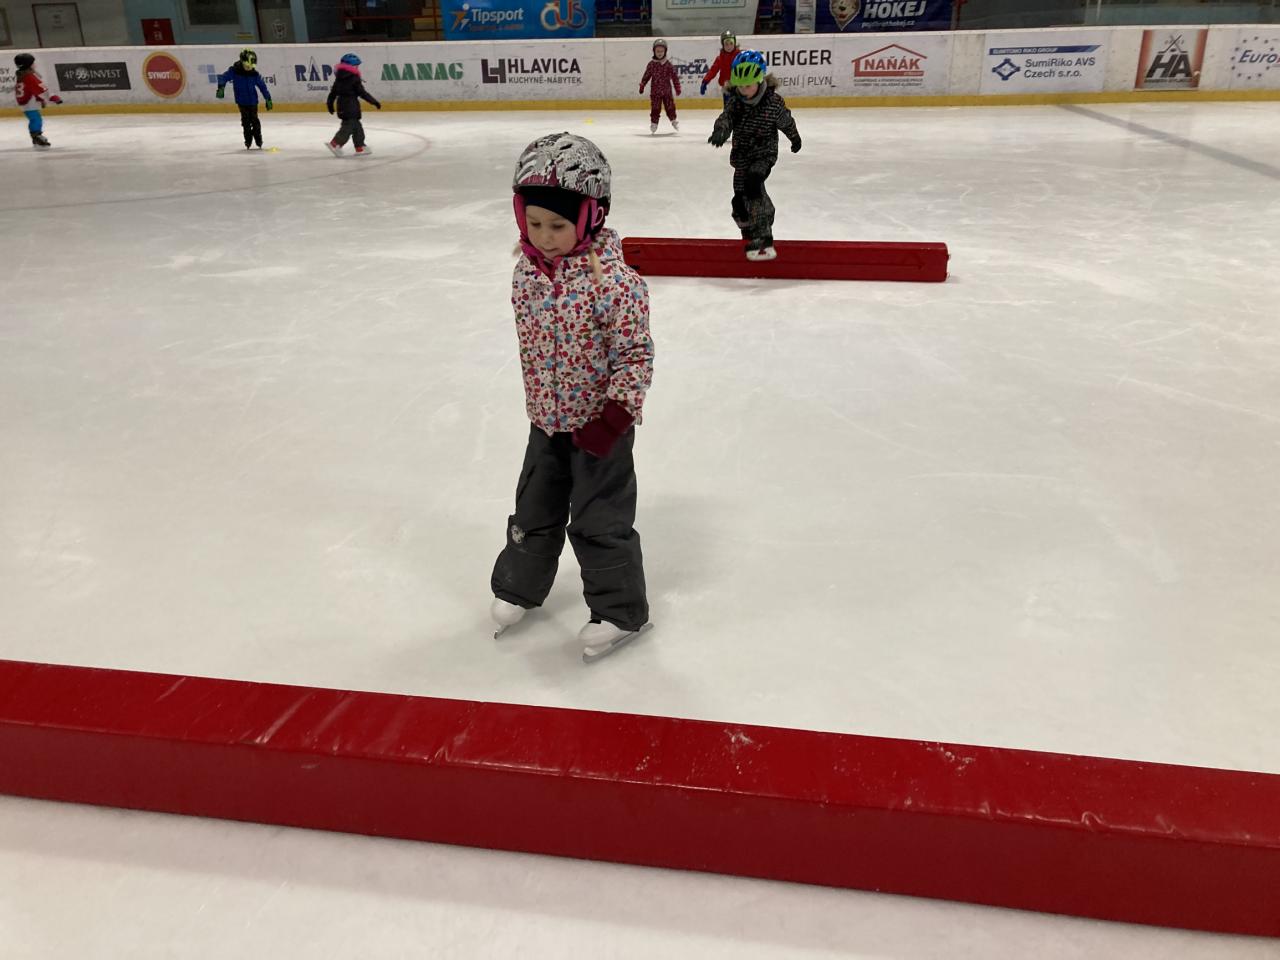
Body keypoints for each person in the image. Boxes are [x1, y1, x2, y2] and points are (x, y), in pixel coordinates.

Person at [490, 132, 656, 663]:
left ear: (591, 217)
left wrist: (613, 418)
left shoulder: (616, 284)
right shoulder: (526, 274)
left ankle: (620, 611)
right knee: (533, 508)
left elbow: (635, 355)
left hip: (600, 428)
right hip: (546, 421)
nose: (544, 237)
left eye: (558, 225)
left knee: (599, 521)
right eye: (533, 223)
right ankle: (519, 587)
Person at [708, 50, 802, 261]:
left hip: (763, 154)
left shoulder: (773, 102)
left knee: (753, 185)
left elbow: (786, 121)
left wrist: (795, 138)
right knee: (739, 201)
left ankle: (763, 235)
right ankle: (748, 232)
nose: (744, 90)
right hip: (742, 157)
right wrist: (720, 131)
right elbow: (726, 118)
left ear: (760, 80)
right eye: (740, 86)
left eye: (748, 85)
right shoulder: (736, 102)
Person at [216, 48, 272, 150]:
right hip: (241, 102)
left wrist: (268, 98)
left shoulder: (254, 74)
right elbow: (223, 77)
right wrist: (221, 87)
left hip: (253, 102)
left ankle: (258, 139)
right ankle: (248, 140)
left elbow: (262, 87)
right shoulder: (234, 71)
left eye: (251, 67)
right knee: (245, 122)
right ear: (242, 62)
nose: (249, 69)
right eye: (247, 66)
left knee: (255, 121)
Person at [325, 54, 381, 156]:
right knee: (348, 126)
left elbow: (333, 93)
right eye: (356, 65)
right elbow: (362, 93)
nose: (358, 67)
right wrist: (374, 102)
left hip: (342, 105)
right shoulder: (354, 78)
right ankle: (335, 143)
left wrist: (330, 104)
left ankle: (360, 147)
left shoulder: (339, 78)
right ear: (352, 66)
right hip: (350, 105)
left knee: (357, 127)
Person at [12, 53, 63, 149]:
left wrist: (40, 99)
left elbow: (31, 89)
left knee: (35, 119)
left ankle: (36, 136)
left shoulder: (22, 74)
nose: (35, 64)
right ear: (28, 64)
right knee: (36, 119)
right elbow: (41, 88)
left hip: (27, 101)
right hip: (29, 102)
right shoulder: (29, 76)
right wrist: (53, 97)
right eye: (33, 63)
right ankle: (36, 136)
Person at [639, 38, 681, 134]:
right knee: (655, 108)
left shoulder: (668, 65)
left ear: (665, 51)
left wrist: (677, 87)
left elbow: (674, 77)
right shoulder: (651, 65)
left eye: (662, 51)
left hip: (667, 92)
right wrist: (642, 85)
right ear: (654, 51)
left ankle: (673, 120)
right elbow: (646, 76)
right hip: (655, 92)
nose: (660, 53)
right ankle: (654, 123)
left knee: (670, 107)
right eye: (658, 51)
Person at [700, 29, 740, 110]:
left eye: (731, 43)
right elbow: (713, 71)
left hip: (739, 86)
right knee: (728, 108)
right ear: (723, 45)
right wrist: (705, 81)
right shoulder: (720, 58)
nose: (729, 46)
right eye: (726, 44)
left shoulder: (740, 56)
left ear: (735, 43)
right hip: (726, 87)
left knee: (739, 107)